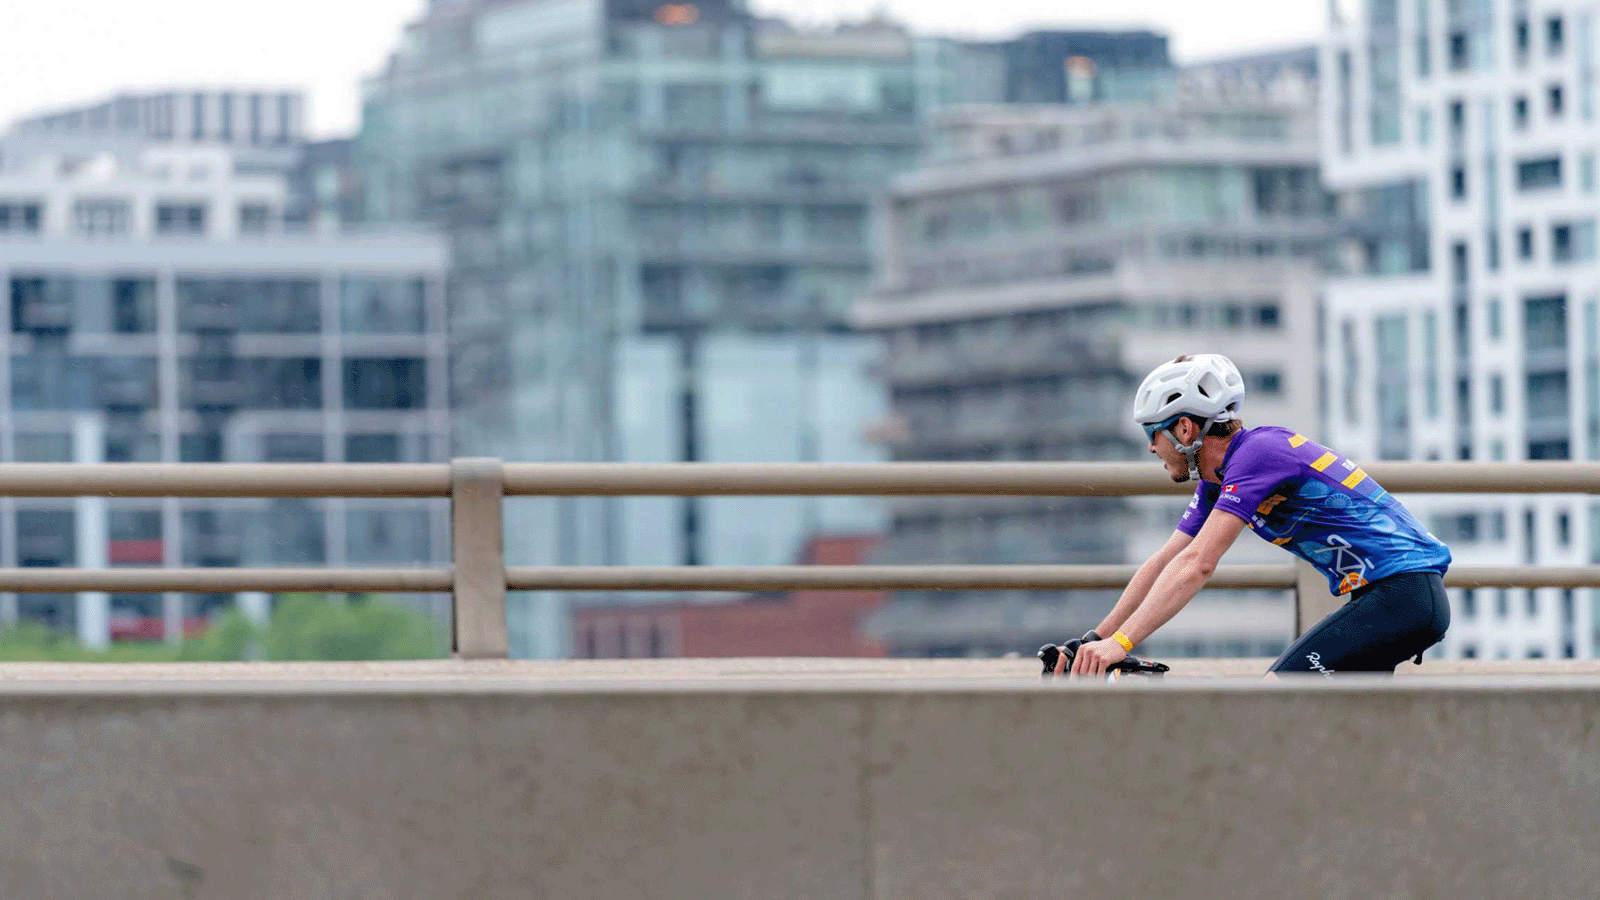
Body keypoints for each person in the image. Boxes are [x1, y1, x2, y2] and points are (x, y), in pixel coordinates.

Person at [1059, 353, 1452, 678]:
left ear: (1183, 428)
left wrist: (1122, 644)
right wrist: (1095, 638)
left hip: (1401, 596)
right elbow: (1167, 560)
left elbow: (1198, 564)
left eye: (1152, 433)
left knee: (1271, 701)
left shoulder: (1259, 454)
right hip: (1393, 598)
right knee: (1334, 735)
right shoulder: (1221, 478)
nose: (1150, 448)